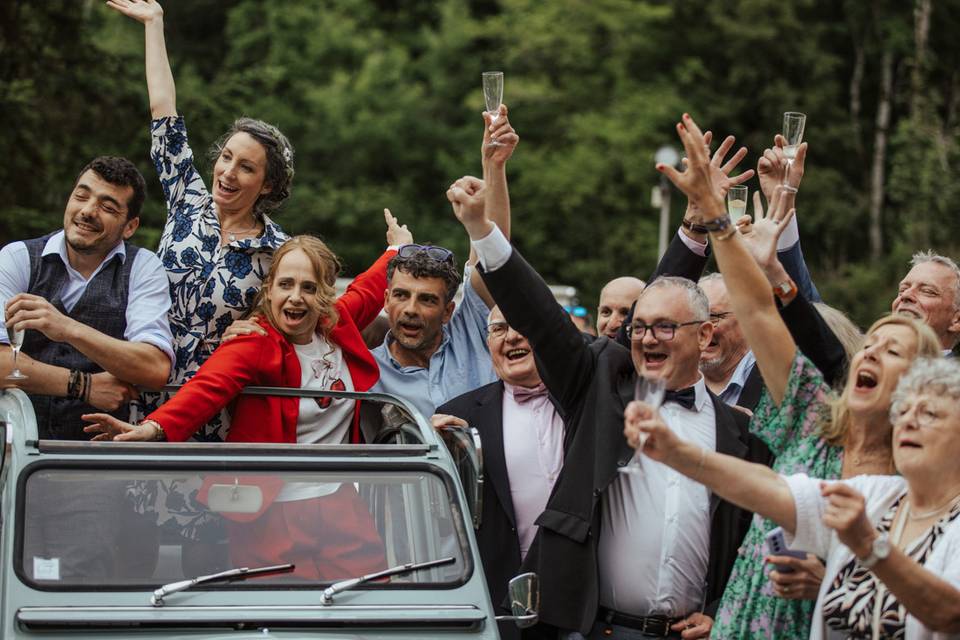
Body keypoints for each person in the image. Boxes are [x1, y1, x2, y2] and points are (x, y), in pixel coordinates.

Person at [648, 112, 942, 638]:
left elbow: (934, 599)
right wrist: (715, 218)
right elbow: (760, 313)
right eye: (869, 342)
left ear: (921, 386)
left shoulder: (919, 482)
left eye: (889, 350)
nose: (868, 354)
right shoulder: (813, 416)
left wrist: (834, 573)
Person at [446, 172, 772, 639]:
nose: (645, 339)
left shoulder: (739, 435)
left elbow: (750, 545)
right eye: (639, 328)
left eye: (664, 328)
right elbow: (540, 314)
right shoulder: (601, 386)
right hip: (596, 630)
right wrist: (483, 232)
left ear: (704, 336)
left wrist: (724, 609)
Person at [83, 223, 409, 580]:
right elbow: (207, 387)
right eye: (286, 284)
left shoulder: (337, 321)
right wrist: (153, 429)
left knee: (370, 597)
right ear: (269, 291)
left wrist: (398, 248)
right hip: (270, 509)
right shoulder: (255, 340)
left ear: (323, 296)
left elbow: (371, 284)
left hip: (338, 500)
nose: (296, 297)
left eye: (308, 287)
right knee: (279, 616)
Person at [627, 356, 960, 639]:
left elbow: (948, 612)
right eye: (903, 412)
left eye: (929, 414)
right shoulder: (879, 495)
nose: (908, 422)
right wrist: (679, 453)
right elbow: (770, 488)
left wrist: (871, 548)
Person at [109, 0, 296, 440]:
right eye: (226, 158)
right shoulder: (187, 198)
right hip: (143, 385)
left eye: (246, 168)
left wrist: (265, 331)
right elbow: (164, 111)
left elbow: (296, 322)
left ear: (267, 186)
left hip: (212, 405)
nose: (228, 172)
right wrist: (154, 24)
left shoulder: (279, 251)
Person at [0, 156, 173, 439]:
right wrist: (84, 385)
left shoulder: (143, 266)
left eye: (107, 207)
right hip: (14, 451)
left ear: (129, 227)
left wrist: (68, 328)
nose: (88, 211)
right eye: (81, 196)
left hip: (98, 461)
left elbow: (154, 368)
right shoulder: (17, 257)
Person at [371, 105, 518, 420]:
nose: (411, 308)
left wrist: (493, 165)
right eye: (401, 295)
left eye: (427, 299)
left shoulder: (472, 334)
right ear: (386, 300)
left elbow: (494, 259)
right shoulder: (366, 370)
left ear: (448, 311)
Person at [433, 306, 564, 640]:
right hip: (498, 603)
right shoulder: (457, 417)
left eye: (523, 325)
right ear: (487, 342)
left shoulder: (582, 405)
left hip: (578, 601)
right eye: (499, 329)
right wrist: (435, 447)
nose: (512, 336)